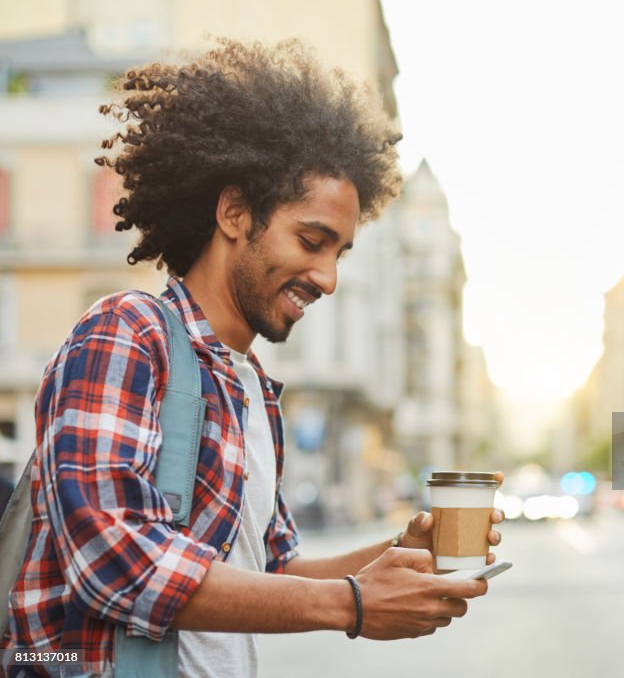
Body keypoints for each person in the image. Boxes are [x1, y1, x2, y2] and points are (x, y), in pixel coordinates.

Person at [0, 39, 503, 677]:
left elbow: (268, 572)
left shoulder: (253, 390)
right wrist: (351, 605)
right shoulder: (126, 333)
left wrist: (402, 551)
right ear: (235, 212)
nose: (327, 278)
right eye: (311, 241)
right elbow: (113, 561)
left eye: (340, 253)